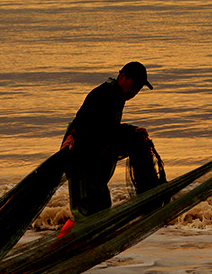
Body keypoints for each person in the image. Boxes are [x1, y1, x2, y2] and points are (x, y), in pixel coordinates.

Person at [58, 61, 156, 236]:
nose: (134, 92)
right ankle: (59, 248)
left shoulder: (118, 96)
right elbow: (81, 119)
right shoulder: (103, 94)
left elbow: (108, 129)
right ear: (122, 77)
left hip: (95, 161)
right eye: (134, 86)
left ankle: (81, 247)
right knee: (86, 211)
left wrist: (132, 130)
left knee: (101, 206)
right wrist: (71, 135)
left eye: (138, 89)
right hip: (83, 159)